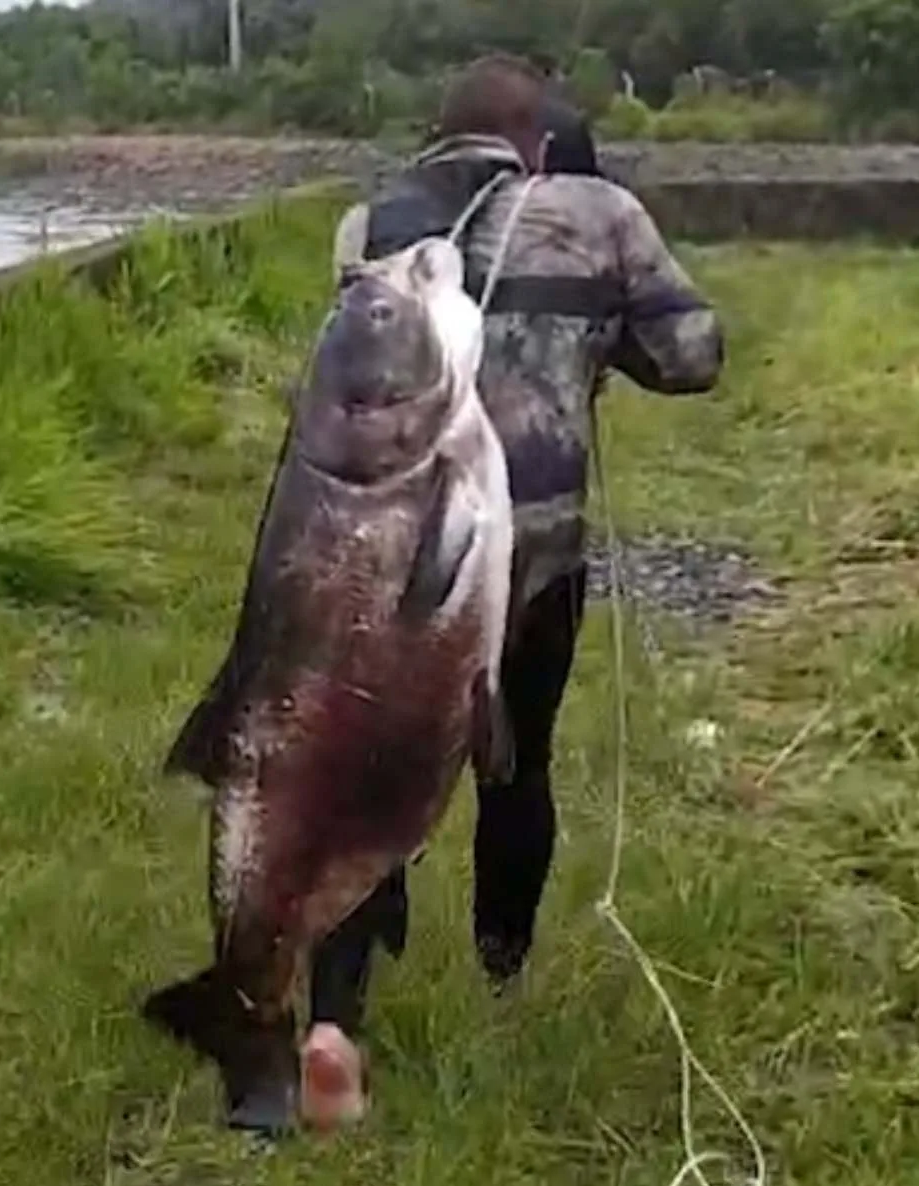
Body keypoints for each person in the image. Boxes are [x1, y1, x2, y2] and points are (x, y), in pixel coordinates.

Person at [313, 53, 724, 1040]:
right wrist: (599, 342)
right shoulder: (598, 212)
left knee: (373, 767)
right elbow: (694, 355)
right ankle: (501, 984)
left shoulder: (368, 225)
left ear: (437, 137)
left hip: (391, 551)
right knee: (518, 766)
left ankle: (335, 1021)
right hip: (530, 557)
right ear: (538, 141)